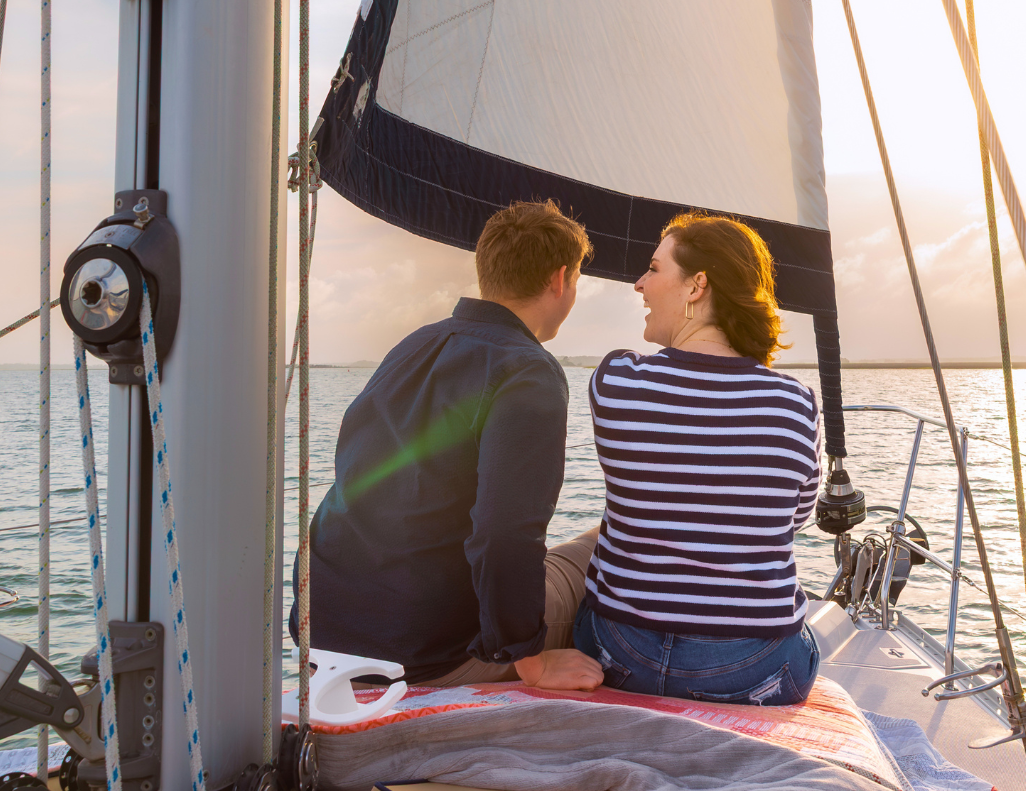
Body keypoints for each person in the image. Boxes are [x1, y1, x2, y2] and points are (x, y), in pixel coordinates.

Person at [295, 201, 603, 690]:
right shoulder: (529, 371)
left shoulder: (414, 346)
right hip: (429, 654)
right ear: (560, 279)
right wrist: (529, 660)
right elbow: (504, 534)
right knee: (598, 546)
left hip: (325, 633)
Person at [575, 212, 822, 706]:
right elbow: (795, 518)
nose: (640, 284)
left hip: (621, 653)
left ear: (697, 286)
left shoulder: (616, 381)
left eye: (654, 268)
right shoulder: (796, 403)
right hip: (753, 667)